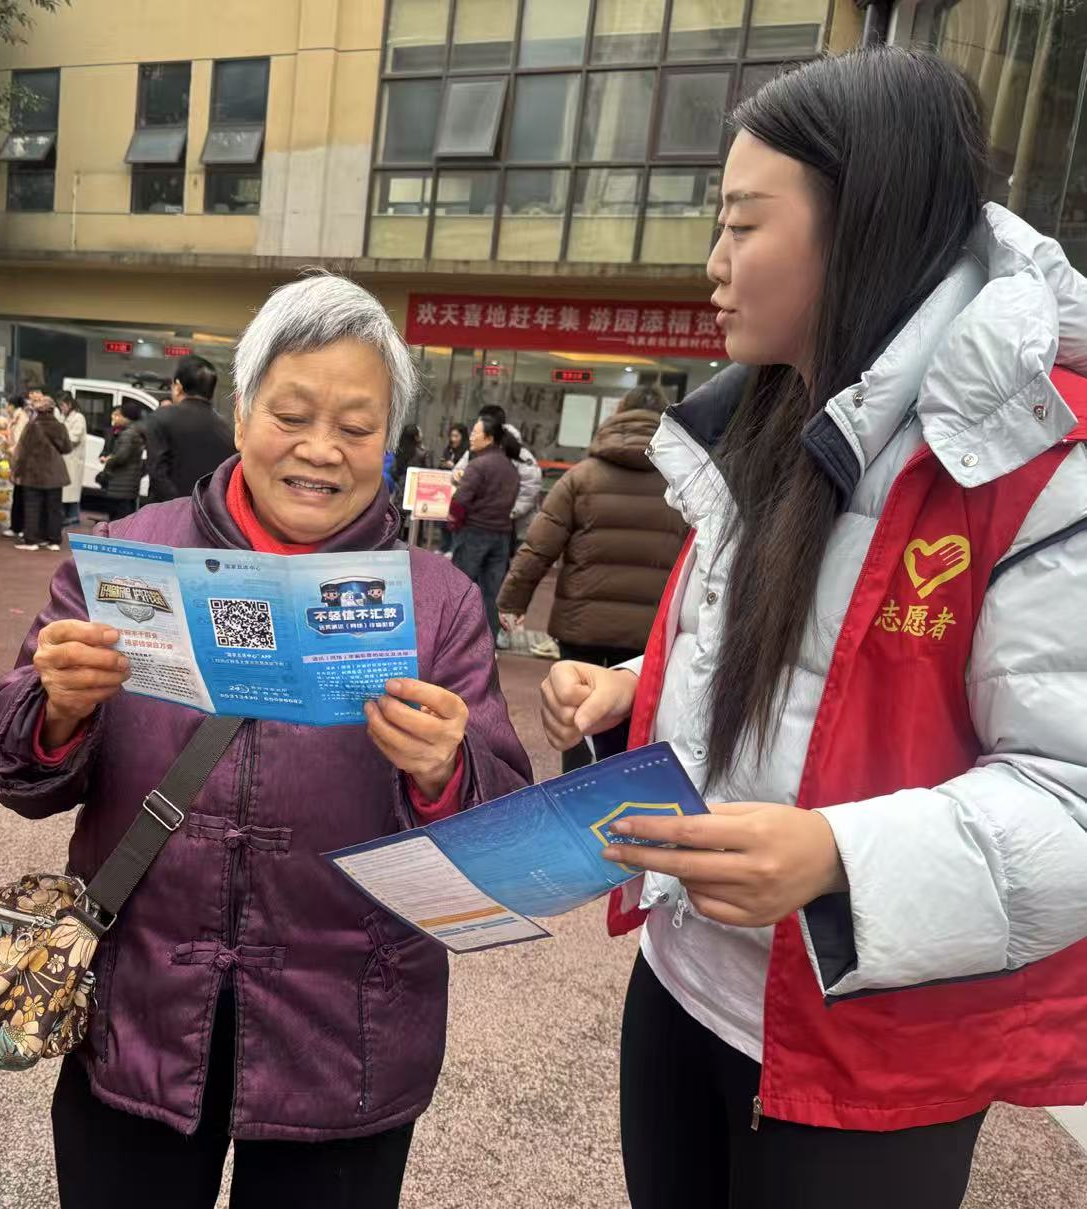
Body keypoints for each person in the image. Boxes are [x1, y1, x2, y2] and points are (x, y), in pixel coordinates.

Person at [535, 49, 1087, 1209]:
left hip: (866, 1052)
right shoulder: (767, 413)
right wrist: (634, 687)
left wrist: (836, 856)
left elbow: (1069, 794)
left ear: (864, 225)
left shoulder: (1041, 452)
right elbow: (791, 658)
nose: (712, 264)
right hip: (683, 985)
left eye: (742, 224)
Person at [0, 272, 531, 1209]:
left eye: (357, 427)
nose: (321, 450)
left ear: (388, 442)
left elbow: (505, 827)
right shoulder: (134, 555)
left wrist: (446, 769)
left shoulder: (436, 601)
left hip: (348, 1034)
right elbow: (16, 767)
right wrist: (55, 705)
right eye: (293, 413)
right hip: (137, 1018)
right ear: (241, 413)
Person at [499, 385, 685, 768]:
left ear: (615, 418)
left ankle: (577, 789)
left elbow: (539, 547)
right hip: (647, 629)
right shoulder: (683, 485)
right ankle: (622, 793)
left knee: (575, 713)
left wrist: (512, 602)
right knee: (631, 711)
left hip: (580, 622)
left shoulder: (581, 477)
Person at [449, 415, 521, 640]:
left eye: (475, 433)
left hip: (473, 533)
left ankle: (453, 639)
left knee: (459, 588)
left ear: (488, 438)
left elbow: (460, 501)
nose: (471, 437)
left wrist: (455, 525)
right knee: (492, 593)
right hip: (501, 536)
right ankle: (488, 641)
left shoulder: (478, 465)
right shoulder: (510, 468)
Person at [144, 354, 235, 503]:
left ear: (178, 387)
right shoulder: (226, 427)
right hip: (209, 515)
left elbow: (157, 473)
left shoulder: (161, 418)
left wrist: (183, 509)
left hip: (168, 515)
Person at [11, 388, 74, 551]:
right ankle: (53, 540)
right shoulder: (60, 427)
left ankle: (32, 540)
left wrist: (16, 471)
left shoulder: (31, 427)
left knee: (32, 506)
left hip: (33, 473)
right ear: (53, 410)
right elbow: (67, 448)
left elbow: (22, 451)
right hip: (55, 473)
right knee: (54, 507)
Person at [95, 398, 146, 520]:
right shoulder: (135, 431)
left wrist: (109, 461)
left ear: (126, 417)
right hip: (127, 485)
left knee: (118, 521)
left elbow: (121, 456)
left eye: (119, 415)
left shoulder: (128, 433)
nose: (116, 417)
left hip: (121, 484)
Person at [59, 391, 89, 526]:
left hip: (73, 459)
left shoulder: (78, 418)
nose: (61, 408)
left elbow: (74, 437)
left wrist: (59, 437)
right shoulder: (64, 417)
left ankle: (73, 517)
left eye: (63, 405)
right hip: (65, 459)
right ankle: (68, 516)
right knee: (66, 491)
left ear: (70, 404)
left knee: (71, 491)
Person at [385, 422, 427, 509]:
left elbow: (393, 471)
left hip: (398, 492)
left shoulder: (398, 451)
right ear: (416, 437)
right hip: (415, 493)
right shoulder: (421, 454)